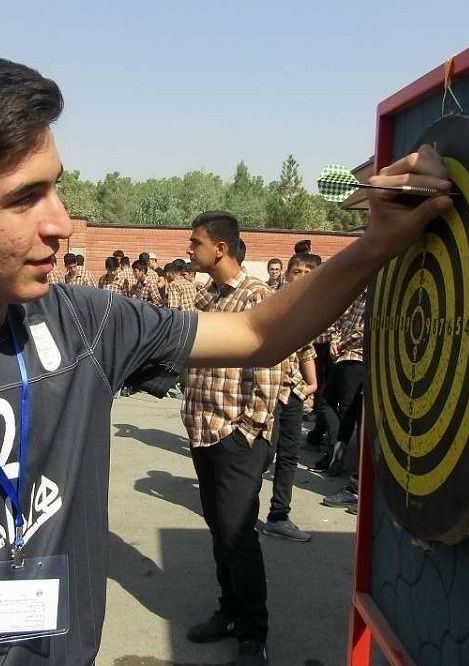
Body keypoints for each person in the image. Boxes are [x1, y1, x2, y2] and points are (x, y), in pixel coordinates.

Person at [0, 47, 451, 666]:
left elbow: (257, 337)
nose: (62, 223)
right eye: (25, 199)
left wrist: (377, 243)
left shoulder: (87, 325)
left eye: (56, 188)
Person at [180, 212, 283, 663]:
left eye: (195, 242)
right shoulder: (208, 296)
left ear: (219, 248)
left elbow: (274, 364)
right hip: (203, 432)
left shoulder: (256, 297)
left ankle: (253, 635)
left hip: (234, 438)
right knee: (220, 530)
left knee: (239, 536)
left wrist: (248, 431)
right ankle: (228, 611)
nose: (189, 249)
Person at [261, 253, 322, 543]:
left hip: (293, 393)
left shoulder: (307, 308)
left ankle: (278, 516)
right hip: (267, 391)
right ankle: (242, 511)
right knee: (262, 455)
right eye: (296, 270)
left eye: (308, 271)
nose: (301, 275)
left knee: (288, 457)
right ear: (286, 274)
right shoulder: (269, 299)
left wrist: (311, 383)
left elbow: (306, 349)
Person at [308, 290, 367, 477]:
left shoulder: (375, 296)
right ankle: (335, 448)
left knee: (347, 409)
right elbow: (341, 319)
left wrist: (341, 345)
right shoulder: (356, 293)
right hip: (342, 356)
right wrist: (335, 341)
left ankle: (337, 454)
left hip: (358, 358)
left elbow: (365, 330)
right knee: (325, 402)